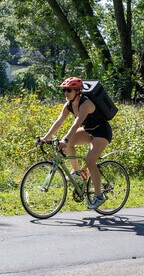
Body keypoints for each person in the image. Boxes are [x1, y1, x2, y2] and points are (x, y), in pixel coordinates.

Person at [36, 76, 112, 209]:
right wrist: (45, 138)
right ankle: (77, 172)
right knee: (69, 142)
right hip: (89, 130)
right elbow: (59, 122)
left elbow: (76, 124)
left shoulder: (86, 104)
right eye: (64, 90)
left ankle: (99, 196)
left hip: (102, 132)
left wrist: (65, 139)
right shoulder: (69, 105)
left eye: (69, 90)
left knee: (90, 161)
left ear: (77, 91)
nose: (65, 93)